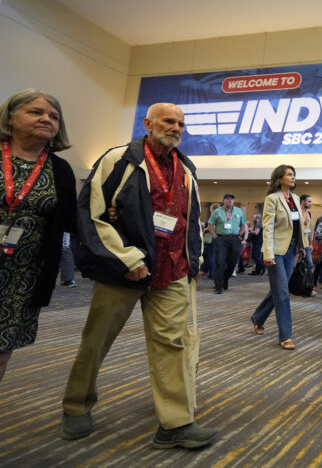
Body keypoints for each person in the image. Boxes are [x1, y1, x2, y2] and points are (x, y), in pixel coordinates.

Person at [60, 102, 216, 449]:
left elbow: (191, 222)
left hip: (173, 270)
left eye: (180, 123)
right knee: (96, 341)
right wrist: (127, 258)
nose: (175, 127)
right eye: (168, 120)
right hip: (125, 269)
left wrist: (195, 261)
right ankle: (76, 406)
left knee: (172, 345)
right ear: (148, 123)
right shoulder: (120, 159)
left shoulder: (186, 168)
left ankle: (175, 423)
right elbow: (92, 213)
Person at [0, 89, 77, 382]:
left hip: (23, 277)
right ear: (10, 117)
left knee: (2, 351)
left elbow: (71, 220)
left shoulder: (60, 169)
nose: (46, 119)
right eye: (36, 112)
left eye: (54, 116)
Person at [250, 165, 305, 350]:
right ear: (279, 178)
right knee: (282, 293)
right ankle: (285, 336)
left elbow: (297, 226)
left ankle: (258, 317)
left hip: (291, 250)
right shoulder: (272, 199)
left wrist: (301, 247)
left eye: (293, 174)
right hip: (276, 251)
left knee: (277, 289)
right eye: (289, 174)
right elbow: (268, 227)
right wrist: (268, 252)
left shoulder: (296, 198)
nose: (293, 177)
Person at [208, 193, 247, 293]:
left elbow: (243, 224)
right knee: (220, 262)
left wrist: (240, 234)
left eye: (232, 199)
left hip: (234, 239)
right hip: (221, 239)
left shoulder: (238, 211)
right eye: (227, 199)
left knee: (233, 262)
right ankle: (218, 286)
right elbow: (210, 225)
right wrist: (215, 237)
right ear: (223, 201)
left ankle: (225, 278)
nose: (230, 201)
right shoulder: (217, 211)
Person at [299, 194, 315, 270]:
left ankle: (307, 281)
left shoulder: (309, 214)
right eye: (309, 201)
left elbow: (309, 230)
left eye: (311, 201)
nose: (310, 203)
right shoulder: (297, 212)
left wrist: (311, 243)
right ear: (303, 201)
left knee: (310, 265)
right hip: (297, 244)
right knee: (296, 265)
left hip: (306, 245)